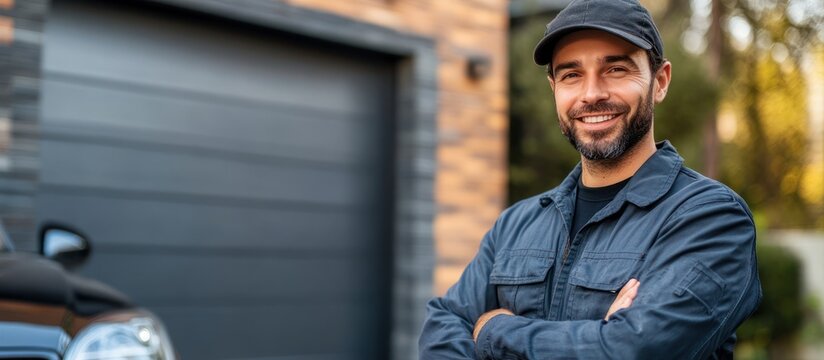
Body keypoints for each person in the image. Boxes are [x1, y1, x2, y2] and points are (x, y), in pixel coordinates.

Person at [418, 0, 762, 358]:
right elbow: (443, 326)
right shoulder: (516, 224)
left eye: (615, 69)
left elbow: (634, 351)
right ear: (554, 87)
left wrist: (492, 329)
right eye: (571, 74)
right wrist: (597, 337)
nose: (592, 93)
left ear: (660, 81)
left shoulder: (710, 218)